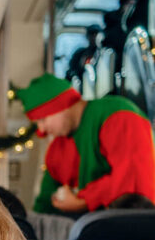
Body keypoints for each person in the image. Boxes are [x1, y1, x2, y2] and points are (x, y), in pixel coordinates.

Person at [15, 73, 155, 215]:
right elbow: (44, 203)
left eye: (42, 119)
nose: (41, 130)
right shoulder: (57, 149)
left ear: (59, 105)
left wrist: (83, 200)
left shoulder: (117, 114)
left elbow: (133, 179)